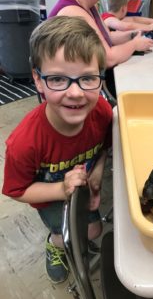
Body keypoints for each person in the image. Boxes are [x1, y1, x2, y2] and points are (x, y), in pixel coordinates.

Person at [2, 16, 113, 284]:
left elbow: (103, 149)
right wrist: (61, 190)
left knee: (93, 230)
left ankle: (71, 240)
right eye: (57, 79)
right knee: (65, 234)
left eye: (87, 78)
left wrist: (96, 174)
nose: (75, 93)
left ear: (100, 78)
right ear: (38, 81)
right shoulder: (24, 143)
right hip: (48, 195)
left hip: (81, 187)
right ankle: (55, 244)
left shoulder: (102, 112)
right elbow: (17, 191)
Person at [48, 0, 153, 69]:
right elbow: (108, 58)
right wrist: (134, 45)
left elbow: (108, 37)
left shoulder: (90, 6)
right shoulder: (73, 10)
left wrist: (133, 35)